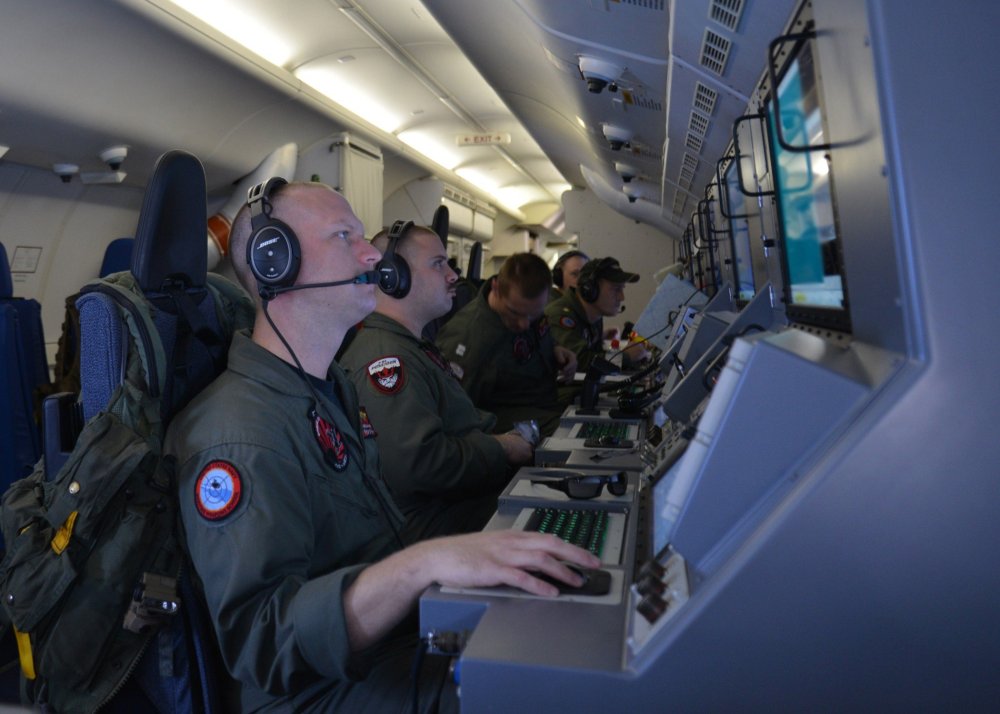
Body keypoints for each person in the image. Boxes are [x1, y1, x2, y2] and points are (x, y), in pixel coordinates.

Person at [164, 180, 599, 712]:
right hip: (319, 692)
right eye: (344, 235)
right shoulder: (239, 434)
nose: (372, 253)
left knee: (565, 647)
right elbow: (266, 643)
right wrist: (422, 565)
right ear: (276, 263)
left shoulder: (326, 390)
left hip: (391, 646)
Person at [340, 221, 533, 543]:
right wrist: (501, 448)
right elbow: (418, 464)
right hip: (431, 528)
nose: (453, 275)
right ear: (393, 277)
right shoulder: (386, 359)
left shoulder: (409, 346)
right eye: (438, 264)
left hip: (453, 509)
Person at [434, 252, 577, 437]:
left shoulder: (524, 304)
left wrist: (555, 349)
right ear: (496, 288)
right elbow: (455, 416)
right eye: (515, 313)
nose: (524, 324)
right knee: (574, 434)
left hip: (543, 399)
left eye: (533, 315)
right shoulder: (469, 341)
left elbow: (534, 337)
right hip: (501, 419)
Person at [545, 256, 650, 375]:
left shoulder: (593, 316)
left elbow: (594, 355)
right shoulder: (560, 315)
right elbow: (579, 361)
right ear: (590, 289)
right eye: (616, 289)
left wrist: (635, 359)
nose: (622, 297)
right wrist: (625, 357)